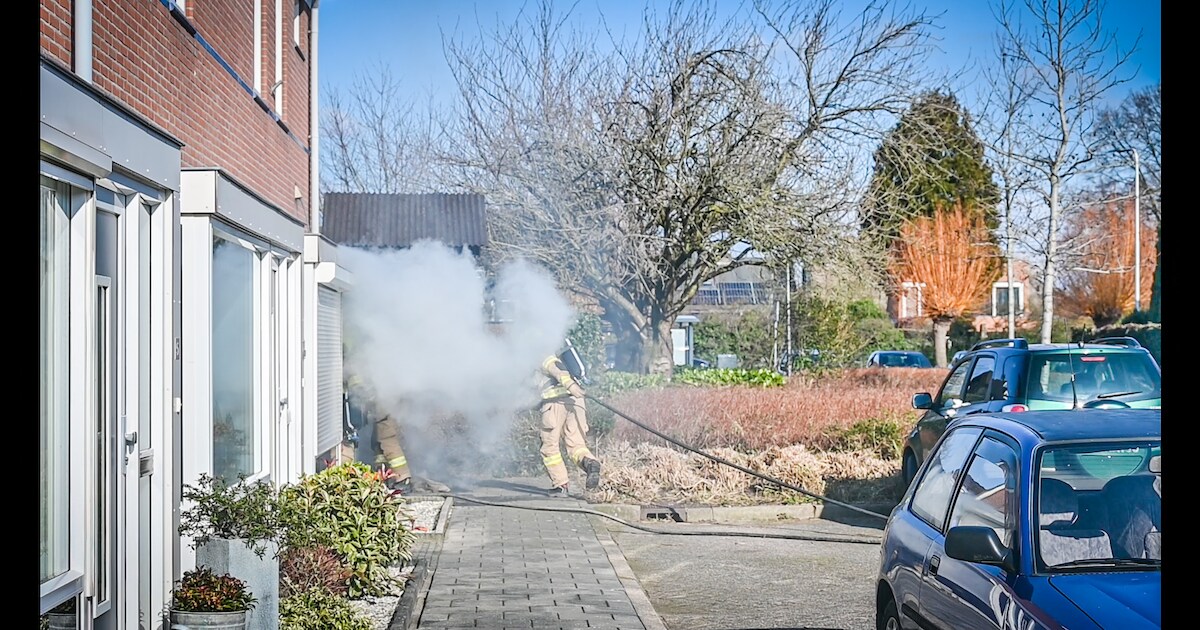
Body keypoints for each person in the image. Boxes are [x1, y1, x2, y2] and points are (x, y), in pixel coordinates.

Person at [343, 369, 451, 495]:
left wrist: (365, 398)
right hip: (387, 401)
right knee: (378, 443)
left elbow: (360, 387)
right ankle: (384, 475)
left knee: (387, 438)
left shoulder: (360, 365)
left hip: (383, 403)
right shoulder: (376, 363)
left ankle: (402, 478)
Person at [538, 349, 602, 497]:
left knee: (549, 446)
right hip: (577, 402)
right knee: (577, 445)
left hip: (555, 403)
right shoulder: (561, 353)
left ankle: (561, 485)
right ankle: (590, 463)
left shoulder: (540, 352)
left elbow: (554, 367)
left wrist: (569, 385)